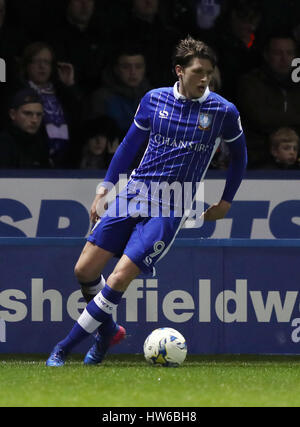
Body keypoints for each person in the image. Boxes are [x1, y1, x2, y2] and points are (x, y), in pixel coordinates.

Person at [46, 36, 247, 367]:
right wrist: (103, 189)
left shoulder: (223, 111)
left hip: (172, 206)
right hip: (135, 193)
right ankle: (108, 331)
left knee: (119, 277)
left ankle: (63, 348)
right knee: (84, 270)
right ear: (179, 71)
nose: (205, 79)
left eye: (209, 73)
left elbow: (240, 158)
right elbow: (127, 146)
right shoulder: (154, 100)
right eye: (198, 72)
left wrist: (226, 202)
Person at [237, 32, 300, 168]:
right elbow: (259, 118)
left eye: (289, 53)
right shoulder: (251, 83)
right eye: (278, 53)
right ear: (266, 55)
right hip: (259, 158)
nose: (284, 59)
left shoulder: (297, 85)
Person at [18, 42, 82, 168]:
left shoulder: (60, 90)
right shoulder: (19, 93)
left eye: (46, 62)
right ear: (27, 65)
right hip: (36, 161)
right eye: (37, 61)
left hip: (66, 160)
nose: (42, 66)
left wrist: (69, 86)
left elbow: (78, 118)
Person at [84, 44, 152, 138]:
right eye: (126, 67)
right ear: (116, 69)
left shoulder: (154, 97)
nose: (133, 72)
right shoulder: (101, 97)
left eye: (138, 66)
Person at [0, 88, 49, 168]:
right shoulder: (3, 144)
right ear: (12, 114)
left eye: (39, 114)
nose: (34, 120)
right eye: (27, 113)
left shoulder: (41, 144)